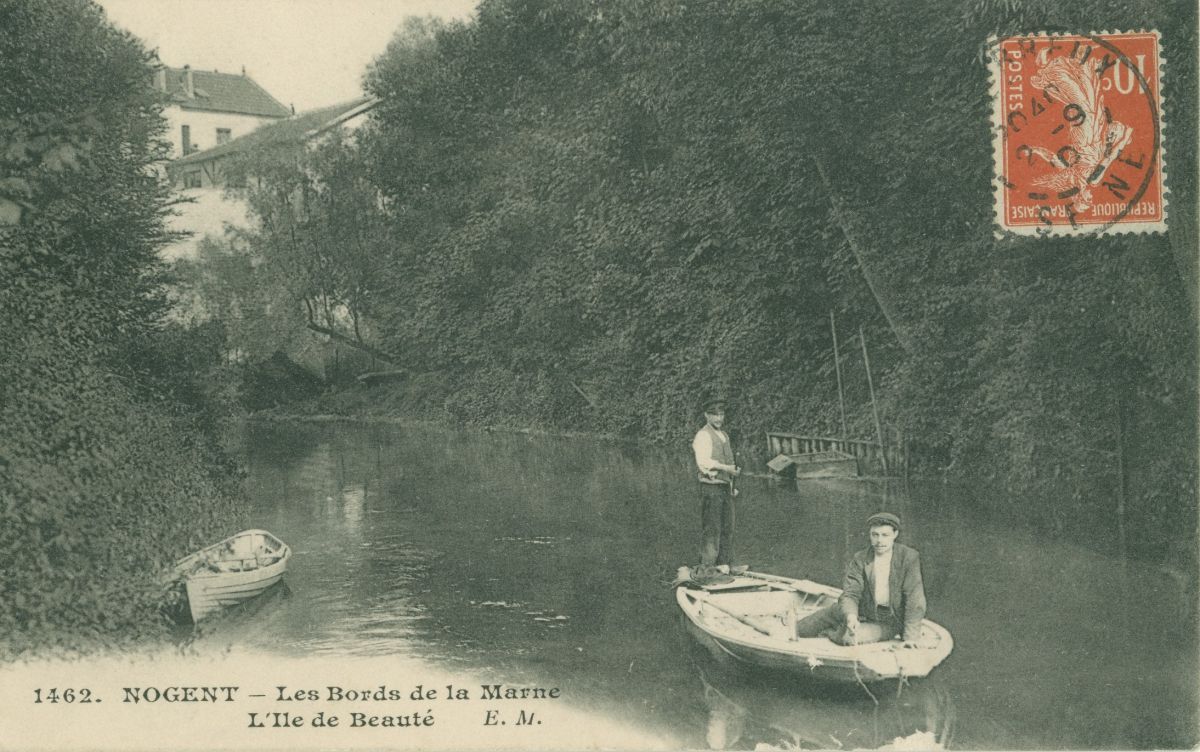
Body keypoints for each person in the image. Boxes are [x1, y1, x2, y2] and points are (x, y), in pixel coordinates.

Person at [793, 512, 927, 647]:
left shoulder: (908, 558)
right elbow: (851, 593)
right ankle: (828, 625)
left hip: (889, 621)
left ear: (895, 534)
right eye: (875, 535)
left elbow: (915, 599)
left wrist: (910, 638)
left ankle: (829, 632)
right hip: (862, 610)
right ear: (870, 535)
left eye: (885, 535)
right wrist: (851, 616)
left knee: (849, 638)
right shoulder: (861, 558)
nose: (879, 540)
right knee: (800, 628)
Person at [692, 399, 740, 571]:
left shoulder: (724, 435)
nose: (719, 418)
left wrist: (732, 484)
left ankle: (724, 565)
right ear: (707, 415)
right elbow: (704, 462)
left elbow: (728, 460)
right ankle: (707, 567)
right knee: (712, 528)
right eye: (715, 415)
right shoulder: (703, 435)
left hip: (725, 487)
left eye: (722, 414)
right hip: (711, 488)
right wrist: (726, 468)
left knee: (728, 527)